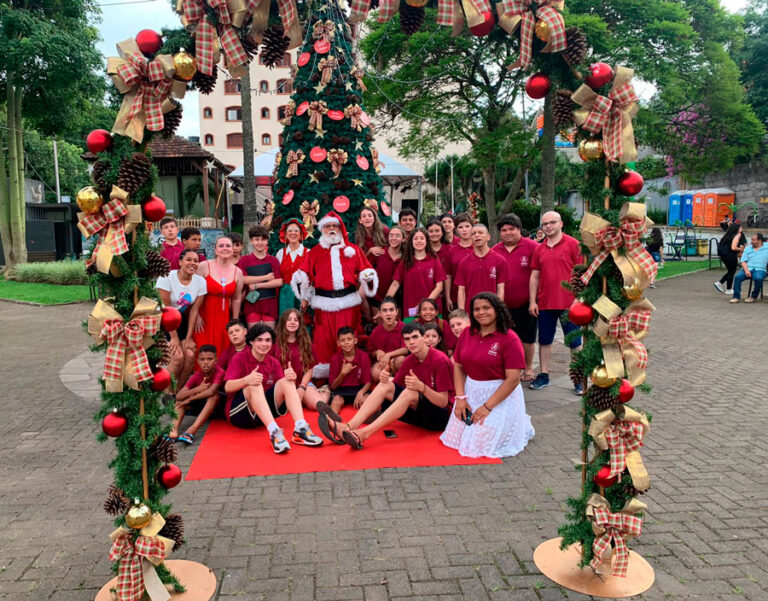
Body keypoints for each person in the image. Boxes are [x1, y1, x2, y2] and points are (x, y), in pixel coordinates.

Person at [317, 322, 453, 449]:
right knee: (385, 384)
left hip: (440, 419)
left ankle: (364, 433)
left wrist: (422, 387)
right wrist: (386, 378)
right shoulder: (410, 360)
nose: (411, 342)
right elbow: (393, 388)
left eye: (415, 337)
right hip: (420, 413)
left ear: (424, 338)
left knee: (410, 392)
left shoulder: (440, 360)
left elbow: (442, 402)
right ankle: (347, 426)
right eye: (407, 339)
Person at [441, 293, 535, 458]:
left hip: (500, 395)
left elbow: (513, 379)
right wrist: (460, 398)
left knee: (480, 445)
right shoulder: (466, 334)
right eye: (477, 309)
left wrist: (487, 407)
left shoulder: (510, 339)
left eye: (486, 308)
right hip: (471, 391)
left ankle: (519, 424)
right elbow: (458, 365)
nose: (481, 312)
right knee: (456, 440)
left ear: (497, 310)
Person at [291, 211, 378, 377]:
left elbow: (366, 269)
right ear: (322, 229)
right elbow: (304, 272)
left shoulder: (353, 250)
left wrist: (367, 275)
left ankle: (350, 374)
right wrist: (300, 278)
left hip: (348, 304)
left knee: (347, 339)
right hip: (323, 305)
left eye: (334, 226)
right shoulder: (315, 252)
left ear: (340, 229)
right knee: (323, 340)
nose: (331, 229)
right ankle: (324, 377)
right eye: (327, 226)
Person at [223, 324, 323, 452]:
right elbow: (227, 387)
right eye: (259, 340)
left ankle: (300, 429)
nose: (264, 344)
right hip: (240, 414)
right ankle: (275, 433)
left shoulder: (273, 362)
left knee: (286, 382)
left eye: (268, 340)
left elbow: (282, 389)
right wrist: (246, 380)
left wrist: (291, 378)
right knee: (255, 383)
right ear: (251, 342)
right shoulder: (239, 358)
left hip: (263, 414)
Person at [528, 211, 583, 394]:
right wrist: (532, 301)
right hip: (545, 303)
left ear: (561, 224)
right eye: (545, 224)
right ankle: (544, 374)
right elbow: (534, 276)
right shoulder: (539, 248)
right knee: (544, 341)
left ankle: (578, 378)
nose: (548, 226)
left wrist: (578, 298)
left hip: (570, 303)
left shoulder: (574, 245)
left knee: (575, 342)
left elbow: (583, 274)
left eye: (552, 222)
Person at [492, 213, 539, 382]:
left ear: (519, 229)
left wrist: (534, 301)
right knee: (506, 338)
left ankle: (528, 368)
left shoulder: (533, 247)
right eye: (504, 230)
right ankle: (510, 370)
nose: (508, 233)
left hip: (527, 303)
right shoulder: (495, 251)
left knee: (528, 338)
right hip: (503, 305)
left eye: (511, 229)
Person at [155, 249, 207, 389]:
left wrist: (188, 338)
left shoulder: (200, 282)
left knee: (190, 355)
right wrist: (174, 338)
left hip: (180, 320)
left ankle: (179, 390)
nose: (192, 263)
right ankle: (167, 390)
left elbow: (194, 311)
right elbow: (165, 308)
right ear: (180, 262)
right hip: (163, 320)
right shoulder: (167, 277)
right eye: (188, 260)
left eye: (196, 261)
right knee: (177, 357)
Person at [193, 235, 244, 354]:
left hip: (224, 317)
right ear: (215, 250)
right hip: (204, 316)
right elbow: (193, 292)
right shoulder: (204, 266)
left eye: (228, 246)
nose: (225, 248)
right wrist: (196, 316)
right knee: (203, 350)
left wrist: (235, 321)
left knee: (222, 350)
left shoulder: (238, 272)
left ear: (232, 250)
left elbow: (236, 299)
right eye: (221, 246)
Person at [271, 308, 328, 410]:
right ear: (283, 322)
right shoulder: (274, 344)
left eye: (296, 320)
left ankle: (326, 392)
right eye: (289, 319)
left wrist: (302, 387)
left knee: (319, 405)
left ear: (300, 323)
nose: (292, 322)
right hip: (283, 384)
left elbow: (310, 369)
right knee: (287, 407)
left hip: (302, 383)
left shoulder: (306, 343)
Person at [386, 227, 446, 321]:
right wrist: (386, 302)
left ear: (426, 241)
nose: (419, 241)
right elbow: (395, 284)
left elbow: (439, 287)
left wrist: (425, 305)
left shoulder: (434, 260)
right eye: (415, 238)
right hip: (411, 311)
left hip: (432, 310)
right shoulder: (405, 262)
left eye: (422, 238)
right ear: (411, 241)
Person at [170, 344, 224, 445]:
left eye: (210, 359)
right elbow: (179, 396)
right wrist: (197, 389)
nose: (206, 362)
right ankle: (173, 430)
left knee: (214, 396)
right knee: (179, 401)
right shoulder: (197, 375)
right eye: (202, 359)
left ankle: (191, 430)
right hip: (201, 408)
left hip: (218, 409)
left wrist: (190, 399)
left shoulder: (219, 372)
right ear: (198, 361)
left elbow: (211, 391)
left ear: (216, 360)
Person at [455, 223, 508, 312]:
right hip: (471, 311)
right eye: (473, 233)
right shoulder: (464, 262)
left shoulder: (500, 260)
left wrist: (498, 310)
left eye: (480, 232)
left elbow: (500, 288)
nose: (477, 235)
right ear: (471, 238)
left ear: (488, 237)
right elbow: (461, 290)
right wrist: (462, 312)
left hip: (491, 310)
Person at [239, 224, 282, 329]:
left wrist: (256, 285)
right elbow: (243, 279)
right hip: (252, 304)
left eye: (263, 239)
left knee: (269, 336)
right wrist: (266, 277)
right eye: (257, 239)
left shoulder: (273, 260)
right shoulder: (244, 260)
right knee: (253, 337)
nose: (260, 242)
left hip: (270, 304)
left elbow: (279, 281)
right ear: (251, 241)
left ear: (267, 241)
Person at [328, 326, 372, 414]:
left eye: (349, 339)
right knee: (336, 400)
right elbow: (333, 386)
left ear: (355, 340)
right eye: (342, 340)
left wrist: (361, 392)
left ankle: (369, 417)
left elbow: (368, 382)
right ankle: (332, 421)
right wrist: (342, 373)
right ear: (338, 343)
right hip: (341, 390)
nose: (346, 343)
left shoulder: (363, 356)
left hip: (359, 389)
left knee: (367, 399)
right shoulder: (335, 358)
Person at [368, 297, 408, 381]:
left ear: (396, 312)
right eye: (385, 310)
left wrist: (388, 355)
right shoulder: (376, 332)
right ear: (380, 313)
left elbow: (406, 349)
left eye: (391, 310)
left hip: (397, 360)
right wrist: (377, 352)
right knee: (375, 373)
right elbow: (371, 352)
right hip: (383, 363)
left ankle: (399, 384)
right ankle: (390, 384)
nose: (388, 313)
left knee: (401, 360)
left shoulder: (404, 327)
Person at [275, 219, 308, 315]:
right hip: (285, 295)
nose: (293, 233)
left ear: (301, 234)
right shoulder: (280, 253)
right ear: (285, 235)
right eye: (290, 230)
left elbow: (312, 279)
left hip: (302, 294)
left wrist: (306, 299)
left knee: (302, 323)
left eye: (296, 230)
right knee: (286, 322)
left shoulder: (308, 253)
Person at [371, 226, 405, 318]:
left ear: (403, 239)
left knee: (397, 329)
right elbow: (366, 268)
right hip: (378, 297)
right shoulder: (380, 252)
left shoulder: (406, 257)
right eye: (391, 235)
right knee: (379, 329)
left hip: (397, 298)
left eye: (397, 235)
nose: (393, 238)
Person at [444, 213, 474, 311]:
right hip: (455, 295)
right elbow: (448, 275)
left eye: (467, 226)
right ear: (456, 229)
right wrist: (447, 297)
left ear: (472, 227)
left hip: (476, 294)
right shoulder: (452, 251)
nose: (464, 230)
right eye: (460, 227)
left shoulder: (478, 248)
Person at [730, 233, 768, 304]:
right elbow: (743, 261)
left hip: (760, 269)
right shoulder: (748, 248)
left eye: (753, 240)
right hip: (748, 268)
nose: (751, 242)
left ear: (759, 240)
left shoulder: (766, 247)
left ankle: (753, 296)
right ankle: (736, 297)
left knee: (758, 278)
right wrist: (747, 270)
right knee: (738, 277)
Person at [427, 218, 452, 312]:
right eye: (431, 231)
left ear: (442, 233)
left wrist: (446, 294)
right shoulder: (423, 250)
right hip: (428, 291)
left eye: (437, 231)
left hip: (447, 292)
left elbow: (449, 273)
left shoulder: (450, 249)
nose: (434, 234)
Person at [715, 222, 746, 294]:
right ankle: (728, 289)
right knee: (731, 271)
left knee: (730, 271)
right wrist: (741, 249)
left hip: (724, 255)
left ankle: (720, 283)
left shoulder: (727, 236)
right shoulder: (736, 236)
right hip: (730, 255)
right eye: (740, 228)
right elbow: (733, 247)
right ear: (737, 229)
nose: (742, 229)